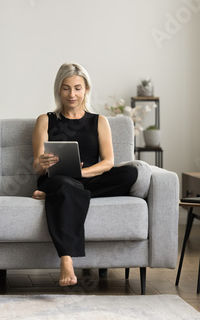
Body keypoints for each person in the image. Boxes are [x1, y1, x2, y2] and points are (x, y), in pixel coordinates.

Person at [31, 62, 138, 287]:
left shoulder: (99, 121)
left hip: (88, 179)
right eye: (66, 88)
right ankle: (66, 259)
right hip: (57, 179)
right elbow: (36, 167)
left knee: (129, 173)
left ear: (86, 89)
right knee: (64, 184)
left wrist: (83, 172)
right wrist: (42, 162)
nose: (72, 94)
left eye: (77, 88)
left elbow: (109, 162)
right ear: (58, 90)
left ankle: (56, 196)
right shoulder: (46, 120)